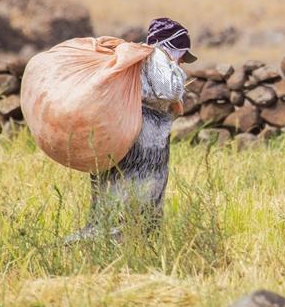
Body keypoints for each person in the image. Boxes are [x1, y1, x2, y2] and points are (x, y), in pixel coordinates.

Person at [68, 18, 196, 241]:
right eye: (182, 54)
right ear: (172, 46)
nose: (183, 61)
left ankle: (109, 235)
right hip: (144, 137)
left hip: (126, 132)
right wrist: (177, 72)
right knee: (140, 187)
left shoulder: (139, 60)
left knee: (115, 186)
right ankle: (126, 239)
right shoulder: (158, 57)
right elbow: (170, 91)